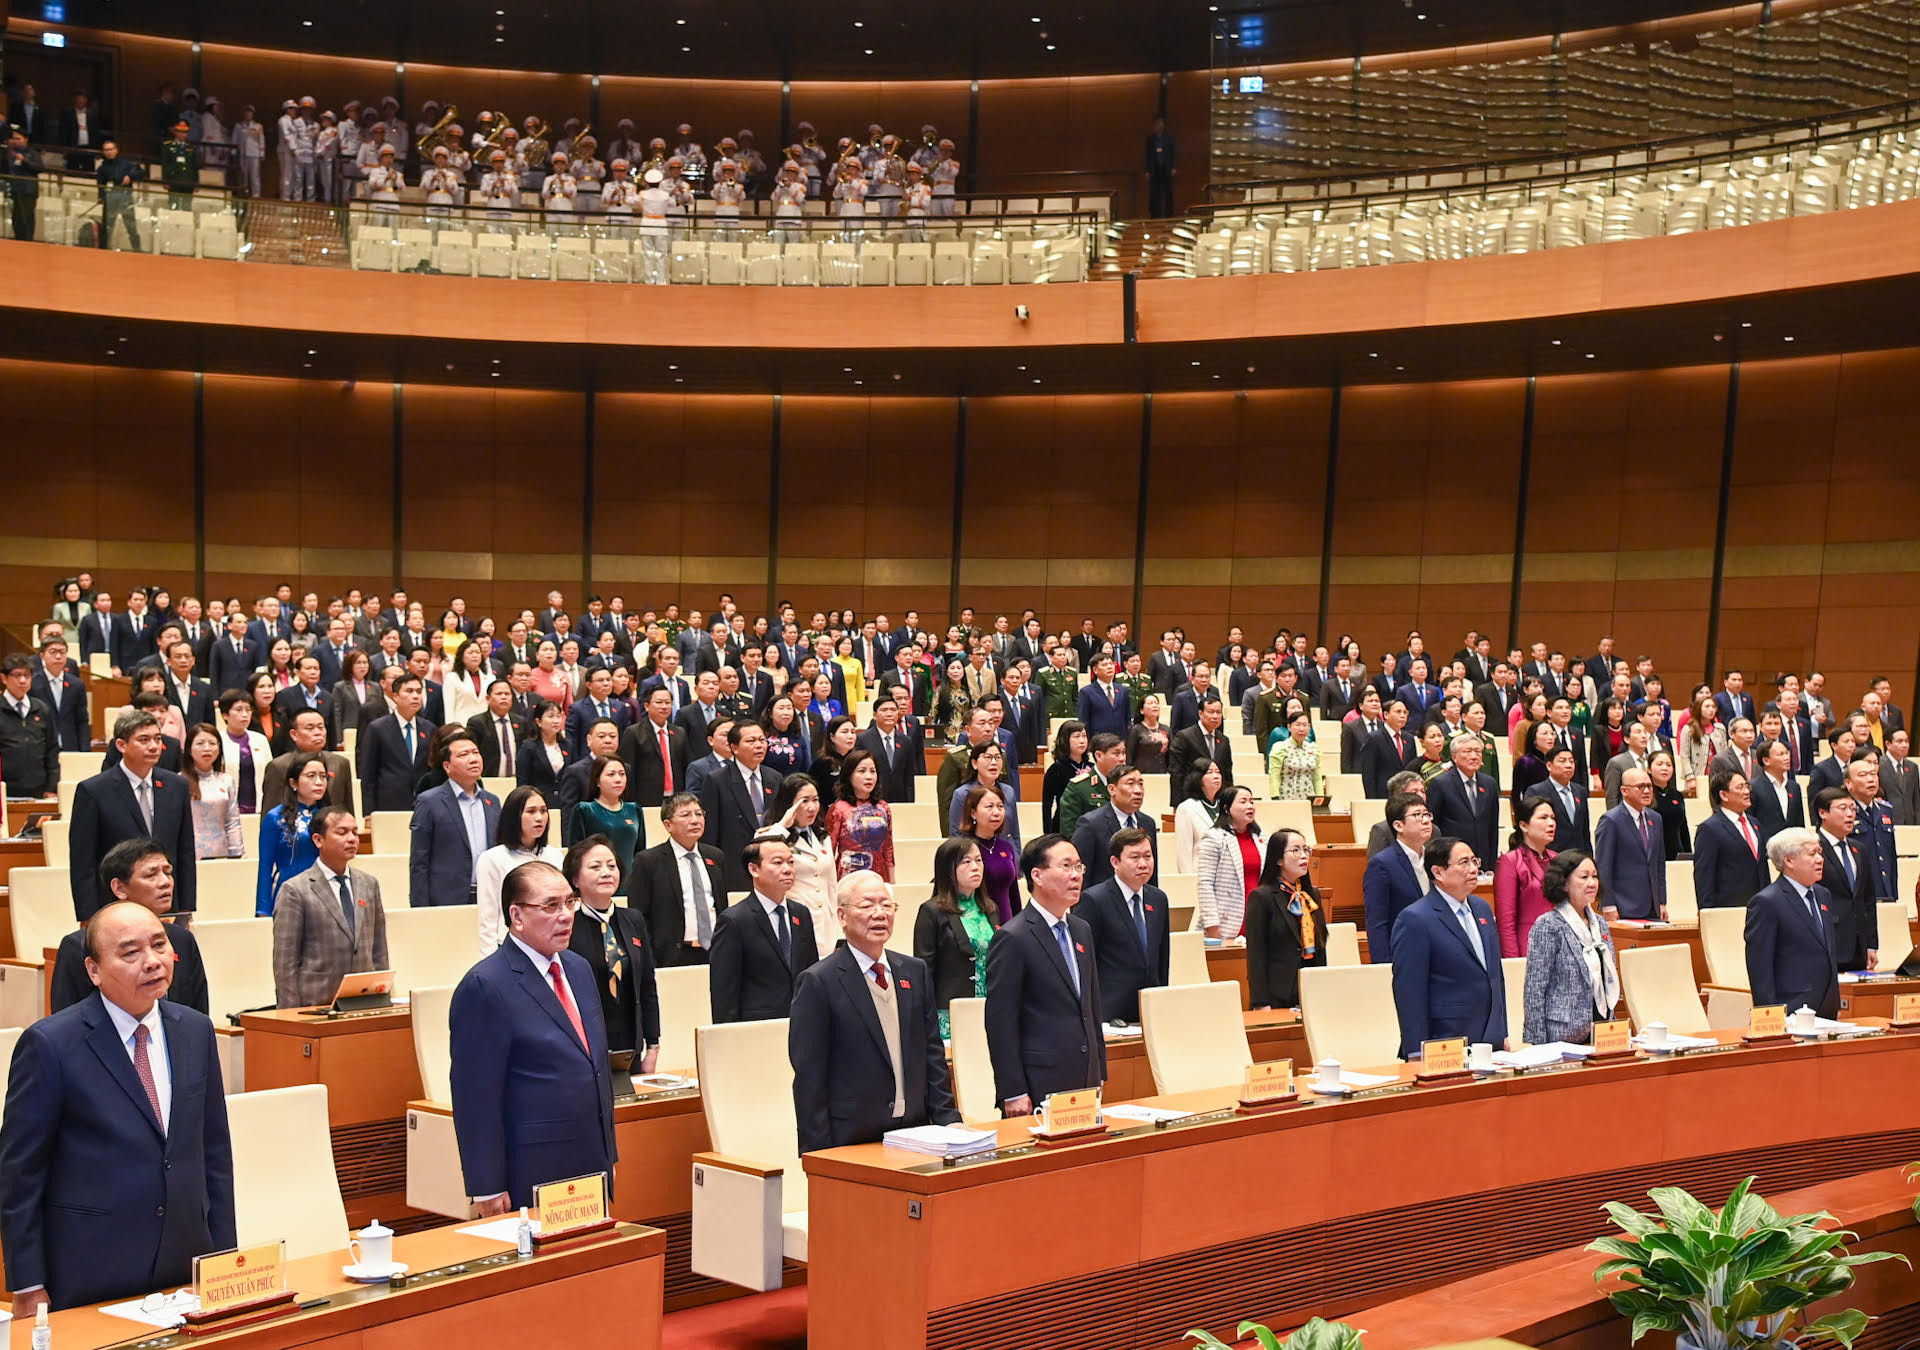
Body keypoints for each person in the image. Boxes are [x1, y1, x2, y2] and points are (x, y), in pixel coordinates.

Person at [0, 900, 234, 1313]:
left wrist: (223, 1261)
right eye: (130, 952)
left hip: (184, 1262)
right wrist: (27, 1283)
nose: (152, 962)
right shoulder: (50, 1045)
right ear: (93, 970)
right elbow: (20, 1173)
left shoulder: (196, 1031)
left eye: (160, 946)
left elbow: (214, 1155)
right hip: (90, 1268)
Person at [449, 860, 617, 1214]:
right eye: (550, 906)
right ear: (517, 916)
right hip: (532, 1169)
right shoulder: (486, 985)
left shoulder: (578, 968)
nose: (566, 915)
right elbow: (475, 1097)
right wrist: (486, 1186)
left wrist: (608, 1153)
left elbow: (593, 1065)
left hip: (590, 1163)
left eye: (570, 903)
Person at [790, 869, 960, 1153]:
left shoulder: (914, 972)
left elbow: (932, 1053)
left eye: (886, 905)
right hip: (851, 1136)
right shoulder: (819, 981)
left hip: (915, 1131)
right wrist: (819, 1154)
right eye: (867, 905)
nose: (879, 913)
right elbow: (810, 1076)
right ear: (842, 916)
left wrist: (948, 1118)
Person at [984, 835, 1104, 1117]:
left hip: (1084, 1077)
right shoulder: (1013, 937)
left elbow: (1091, 1005)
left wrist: (1099, 1073)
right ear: (1036, 875)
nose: (1076, 875)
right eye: (1066, 866)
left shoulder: (1081, 929)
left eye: (1079, 867)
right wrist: (1012, 1090)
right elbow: (1001, 1022)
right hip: (1038, 1082)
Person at [49, 840, 209, 1016]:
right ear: (119, 888)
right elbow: (66, 1025)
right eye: (151, 875)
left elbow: (198, 1016)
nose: (165, 882)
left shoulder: (182, 940)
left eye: (168, 873)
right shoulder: (78, 946)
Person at [70, 711, 198, 922]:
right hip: (114, 907)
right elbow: (83, 862)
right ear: (121, 745)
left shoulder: (177, 786)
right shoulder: (93, 791)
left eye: (158, 739)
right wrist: (88, 917)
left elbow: (185, 851)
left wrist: (185, 908)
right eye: (144, 740)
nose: (154, 746)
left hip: (166, 907)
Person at [1391, 835, 1508, 1059]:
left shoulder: (1482, 909)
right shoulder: (1415, 918)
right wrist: (1416, 1050)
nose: (1473, 869)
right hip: (1445, 1039)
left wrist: (1501, 1032)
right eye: (1464, 863)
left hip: (1490, 1039)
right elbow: (1409, 992)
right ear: (1438, 872)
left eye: (1475, 861)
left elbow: (1495, 976)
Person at [271, 805, 390, 1009]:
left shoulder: (369, 884)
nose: (352, 838)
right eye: (342, 832)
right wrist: (290, 1016)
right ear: (318, 840)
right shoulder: (295, 890)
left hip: (363, 1003)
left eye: (354, 832)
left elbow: (379, 950)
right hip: (316, 1005)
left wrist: (381, 1000)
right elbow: (285, 963)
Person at [563, 836, 661, 1064]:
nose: (606, 872)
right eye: (595, 867)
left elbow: (647, 985)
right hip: (585, 1047)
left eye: (612, 865)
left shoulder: (633, 919)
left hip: (630, 1045)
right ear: (575, 879)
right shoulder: (567, 925)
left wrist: (653, 1046)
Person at [708, 835, 819, 1022]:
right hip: (758, 1026)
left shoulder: (801, 914)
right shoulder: (734, 921)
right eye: (778, 862)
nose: (788, 869)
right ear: (754, 869)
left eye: (791, 862)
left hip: (802, 1020)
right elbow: (724, 990)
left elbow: (812, 972)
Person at [1520, 850, 1621, 1046]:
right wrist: (1537, 1044)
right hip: (1561, 1035)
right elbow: (1534, 989)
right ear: (1564, 883)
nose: (1592, 883)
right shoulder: (1549, 925)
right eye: (1584, 877)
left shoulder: (1600, 923)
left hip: (1600, 1031)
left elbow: (1606, 978)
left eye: (1594, 876)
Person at [1745, 828, 1841, 1019]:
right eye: (1812, 854)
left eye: (1819, 853)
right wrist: (1769, 1015)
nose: (1820, 859)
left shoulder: (1823, 895)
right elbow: (1760, 967)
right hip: (1791, 1008)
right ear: (1788, 860)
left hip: (1827, 1006)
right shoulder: (1767, 902)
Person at [914, 836, 1000, 1038]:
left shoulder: (990, 908)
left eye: (978, 860)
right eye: (966, 861)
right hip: (949, 1013)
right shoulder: (932, 911)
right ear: (947, 868)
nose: (975, 867)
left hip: (990, 1007)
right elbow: (924, 969)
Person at [631, 793, 727, 966]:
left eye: (699, 814)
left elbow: (721, 907)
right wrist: (649, 959)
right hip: (671, 956)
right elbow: (638, 917)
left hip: (715, 952)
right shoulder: (648, 861)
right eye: (685, 815)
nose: (695, 820)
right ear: (668, 824)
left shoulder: (715, 856)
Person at [408, 731, 501, 908]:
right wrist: (419, 909)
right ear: (447, 766)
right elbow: (419, 862)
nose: (473, 759)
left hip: (489, 897)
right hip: (446, 900)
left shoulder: (493, 802)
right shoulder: (429, 802)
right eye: (463, 755)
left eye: (476, 752)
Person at [1237, 828, 1324, 1009]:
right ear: (1278, 859)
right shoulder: (1262, 897)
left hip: (1311, 990)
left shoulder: (1311, 896)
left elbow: (1320, 946)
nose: (1303, 856)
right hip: (1277, 993)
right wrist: (1260, 1002)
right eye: (1295, 850)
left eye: (1305, 849)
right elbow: (1256, 955)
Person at [476, 787, 566, 955]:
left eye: (543, 811)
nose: (539, 818)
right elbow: (487, 920)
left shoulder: (555, 856)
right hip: (511, 947)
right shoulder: (492, 859)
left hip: (551, 945)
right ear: (514, 817)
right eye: (531, 811)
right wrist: (488, 962)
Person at [700, 721, 781, 895]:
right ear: (734, 748)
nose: (759, 745)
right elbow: (710, 832)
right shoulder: (717, 780)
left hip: (771, 867)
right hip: (734, 867)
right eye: (751, 741)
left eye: (761, 740)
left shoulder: (774, 778)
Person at [765, 776, 840, 956]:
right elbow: (758, 854)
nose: (812, 807)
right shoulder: (774, 835)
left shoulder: (823, 837)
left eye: (815, 800)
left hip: (827, 923)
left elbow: (832, 885)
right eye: (804, 801)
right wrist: (783, 824)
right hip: (795, 919)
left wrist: (839, 928)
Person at [255, 753, 329, 917]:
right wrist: (263, 910)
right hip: (289, 892)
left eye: (323, 776)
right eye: (311, 776)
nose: (319, 782)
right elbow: (265, 866)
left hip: (327, 895)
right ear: (293, 782)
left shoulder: (331, 817)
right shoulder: (275, 817)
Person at [1364, 793, 1434, 962]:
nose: (1425, 820)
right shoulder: (1382, 864)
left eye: (1426, 814)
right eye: (1417, 815)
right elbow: (1377, 924)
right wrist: (1383, 966)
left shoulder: (1435, 859)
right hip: (1403, 956)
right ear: (1398, 825)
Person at [1813, 787, 1876, 972]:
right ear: (1822, 813)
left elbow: (1868, 899)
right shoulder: (1811, 848)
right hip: (1828, 940)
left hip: (1859, 944)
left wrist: (1871, 943)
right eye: (1843, 808)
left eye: (1853, 808)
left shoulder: (1859, 849)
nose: (1850, 814)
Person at [1593, 767, 1668, 921]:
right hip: (1622, 906)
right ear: (1624, 791)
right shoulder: (1611, 820)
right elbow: (1603, 866)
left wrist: (1661, 901)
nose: (1647, 791)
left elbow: (1658, 864)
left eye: (1649, 786)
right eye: (1640, 787)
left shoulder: (1656, 819)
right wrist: (1608, 905)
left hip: (1653, 907)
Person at [1692, 769, 1770, 909]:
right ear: (1723, 795)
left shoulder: (1755, 823)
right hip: (1729, 908)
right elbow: (1705, 876)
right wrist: (1707, 914)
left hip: (1761, 906)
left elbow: (1762, 868)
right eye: (1740, 787)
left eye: (1747, 786)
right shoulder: (1710, 828)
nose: (1747, 791)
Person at [359, 672, 435, 813]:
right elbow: (368, 774)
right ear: (395, 697)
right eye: (409, 691)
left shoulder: (429, 728)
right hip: (388, 803)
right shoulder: (377, 728)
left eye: (419, 692)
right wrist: (368, 812)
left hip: (423, 803)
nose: (415, 696)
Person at [1072, 762, 1156, 888]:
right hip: (1101, 903)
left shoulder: (1147, 823)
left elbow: (1152, 878)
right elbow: (1081, 875)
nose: (1138, 791)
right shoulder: (1091, 824)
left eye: (1141, 784)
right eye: (1130, 784)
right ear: (1112, 789)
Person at [1193, 784, 1261, 941]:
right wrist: (1212, 926)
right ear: (1226, 808)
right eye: (1243, 801)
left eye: (1252, 801)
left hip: (1255, 916)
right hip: (1225, 920)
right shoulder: (1214, 838)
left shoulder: (1260, 838)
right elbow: (1205, 884)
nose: (1250, 806)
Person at [566, 755, 643, 889]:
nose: (618, 779)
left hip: (630, 883)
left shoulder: (634, 809)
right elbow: (574, 855)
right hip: (597, 883)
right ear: (597, 781)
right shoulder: (584, 810)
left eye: (622, 774)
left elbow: (640, 853)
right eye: (611, 774)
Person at [1494, 797, 1558, 957]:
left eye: (1553, 818)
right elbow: (1506, 921)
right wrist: (1513, 962)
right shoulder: (1510, 861)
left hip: (1560, 945)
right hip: (1530, 946)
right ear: (1523, 825)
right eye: (1543, 818)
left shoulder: (1558, 859)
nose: (1551, 823)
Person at [260, 708, 354, 814]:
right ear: (294, 734)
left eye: (321, 727)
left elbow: (348, 810)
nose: (318, 732)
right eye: (310, 728)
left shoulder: (340, 763)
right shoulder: (279, 766)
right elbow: (270, 813)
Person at [1427, 736, 1499, 867]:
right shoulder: (1440, 784)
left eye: (1477, 751)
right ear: (1454, 757)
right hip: (1451, 859)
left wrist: (1492, 863)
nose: (1474, 756)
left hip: (1483, 859)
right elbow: (1433, 826)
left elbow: (1492, 827)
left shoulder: (1489, 783)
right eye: (1467, 751)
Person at [0, 654, 60, 799]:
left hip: (39, 789)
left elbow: (52, 749)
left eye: (27, 675)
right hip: (5, 789)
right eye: (17, 675)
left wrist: (52, 786)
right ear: (4, 678)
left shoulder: (41, 708)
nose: (22, 680)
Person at [181, 723, 244, 860]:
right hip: (191, 854)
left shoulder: (226, 780)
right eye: (200, 743)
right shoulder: (179, 781)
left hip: (221, 851)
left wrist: (237, 854)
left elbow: (232, 821)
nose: (207, 748)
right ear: (189, 749)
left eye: (212, 743)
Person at [1168, 696, 1235, 805]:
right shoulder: (1184, 736)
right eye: (1211, 712)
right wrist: (1177, 803)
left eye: (1218, 712)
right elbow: (1176, 772)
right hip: (1192, 798)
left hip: (1217, 799)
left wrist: (1229, 800)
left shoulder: (1223, 740)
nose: (1215, 716)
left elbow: (1227, 773)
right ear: (1200, 713)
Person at [1042, 720, 1089, 834]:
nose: (1082, 741)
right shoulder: (1056, 769)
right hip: (1063, 825)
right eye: (1076, 736)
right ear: (1065, 740)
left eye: (1084, 736)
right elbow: (1047, 806)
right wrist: (1048, 835)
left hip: (1089, 825)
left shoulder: (1092, 768)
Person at [1648, 748, 1692, 859]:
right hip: (1653, 854)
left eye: (1668, 765)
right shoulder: (1645, 795)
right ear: (1649, 769)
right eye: (1659, 764)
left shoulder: (1677, 795)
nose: (1664, 768)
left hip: (1677, 852)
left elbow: (1683, 829)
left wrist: (1688, 854)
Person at [1268, 709, 1321, 801]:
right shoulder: (1280, 747)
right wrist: (1275, 798)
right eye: (1298, 725)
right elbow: (1274, 776)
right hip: (1286, 798)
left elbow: (1317, 777)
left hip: (1308, 799)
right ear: (1289, 727)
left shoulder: (1313, 748)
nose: (1302, 729)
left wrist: (1320, 798)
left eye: (1305, 725)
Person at [1144, 114, 1177, 218]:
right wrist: (1147, 171)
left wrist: (1173, 167)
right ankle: (1155, 214)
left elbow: (1174, 153)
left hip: (1166, 169)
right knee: (1154, 194)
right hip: (1155, 170)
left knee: (1168, 193)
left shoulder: (1169, 138)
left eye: (1160, 123)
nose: (1159, 125)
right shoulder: (1150, 139)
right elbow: (1147, 156)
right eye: (1157, 123)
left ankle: (1169, 214)